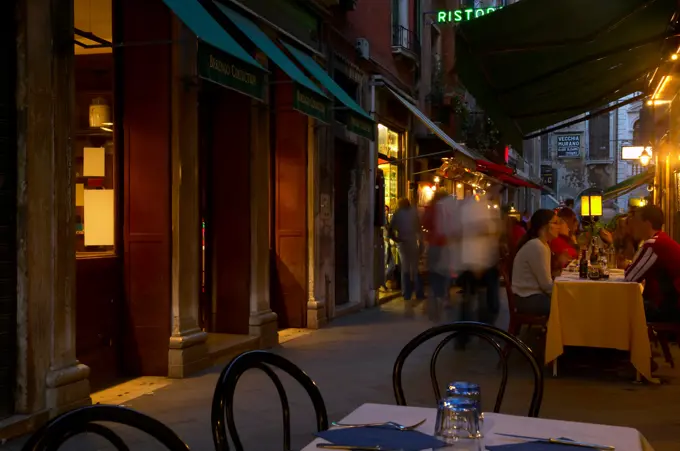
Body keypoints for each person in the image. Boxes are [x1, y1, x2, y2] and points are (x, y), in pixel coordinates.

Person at [624, 205, 680, 322]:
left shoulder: (654, 244)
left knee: (622, 306)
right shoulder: (662, 239)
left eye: (637, 222)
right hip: (671, 304)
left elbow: (630, 277)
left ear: (647, 223)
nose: (634, 227)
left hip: (672, 309)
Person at [511, 209, 561, 316]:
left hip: (532, 296)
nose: (559, 227)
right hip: (527, 299)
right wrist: (564, 295)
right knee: (566, 304)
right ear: (544, 226)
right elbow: (546, 285)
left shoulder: (543, 245)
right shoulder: (537, 246)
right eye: (555, 223)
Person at [388, 198, 425, 300]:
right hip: (412, 242)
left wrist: (396, 239)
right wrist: (421, 244)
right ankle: (419, 292)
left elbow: (390, 230)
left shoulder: (397, 214)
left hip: (402, 243)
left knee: (405, 268)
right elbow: (419, 229)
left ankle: (406, 293)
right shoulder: (413, 213)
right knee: (414, 268)